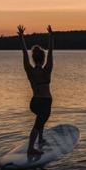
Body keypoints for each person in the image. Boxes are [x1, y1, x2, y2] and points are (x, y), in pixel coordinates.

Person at [17, 25, 54, 155]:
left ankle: (41, 138)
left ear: (33, 58)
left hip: (34, 103)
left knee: (40, 118)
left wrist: (21, 37)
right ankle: (31, 148)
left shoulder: (29, 71)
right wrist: (50, 37)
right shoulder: (47, 70)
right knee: (39, 122)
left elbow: (24, 52)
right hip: (45, 102)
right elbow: (51, 52)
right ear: (43, 59)